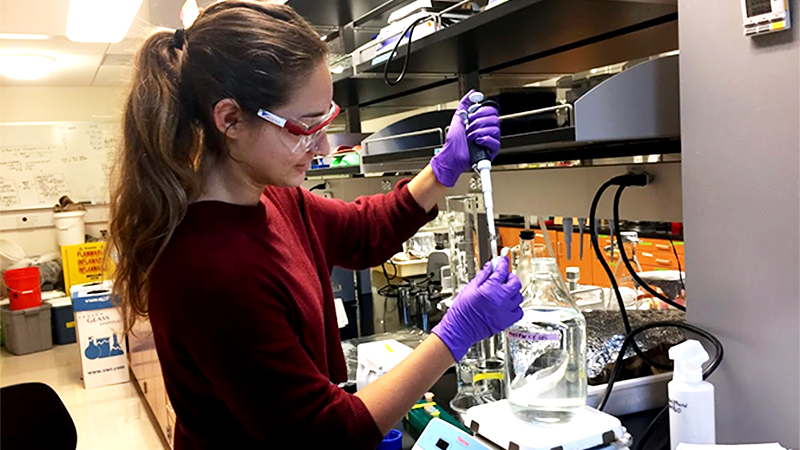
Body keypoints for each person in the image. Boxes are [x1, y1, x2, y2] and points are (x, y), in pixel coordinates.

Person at [108, 2, 523, 449]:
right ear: (229, 119)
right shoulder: (208, 269)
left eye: (326, 118)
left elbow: (363, 231)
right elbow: (326, 434)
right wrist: (456, 332)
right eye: (305, 126)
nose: (322, 144)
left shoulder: (272, 196)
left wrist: (442, 170)